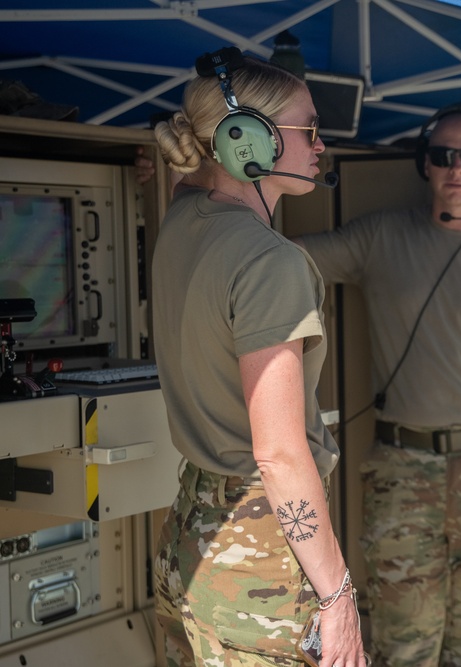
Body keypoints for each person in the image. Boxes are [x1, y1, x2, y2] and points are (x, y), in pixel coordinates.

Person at [295, 104, 461, 666]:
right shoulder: (381, 237)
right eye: (445, 156)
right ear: (425, 163)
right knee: (405, 637)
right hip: (404, 468)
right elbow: (286, 260)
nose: (458, 170)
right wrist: (200, 196)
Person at [149, 54, 366, 667]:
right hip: (258, 560)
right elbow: (278, 452)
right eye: (309, 130)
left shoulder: (184, 220)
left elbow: (190, 182)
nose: (321, 146)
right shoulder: (270, 261)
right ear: (245, 140)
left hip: (189, 541)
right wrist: (339, 596)